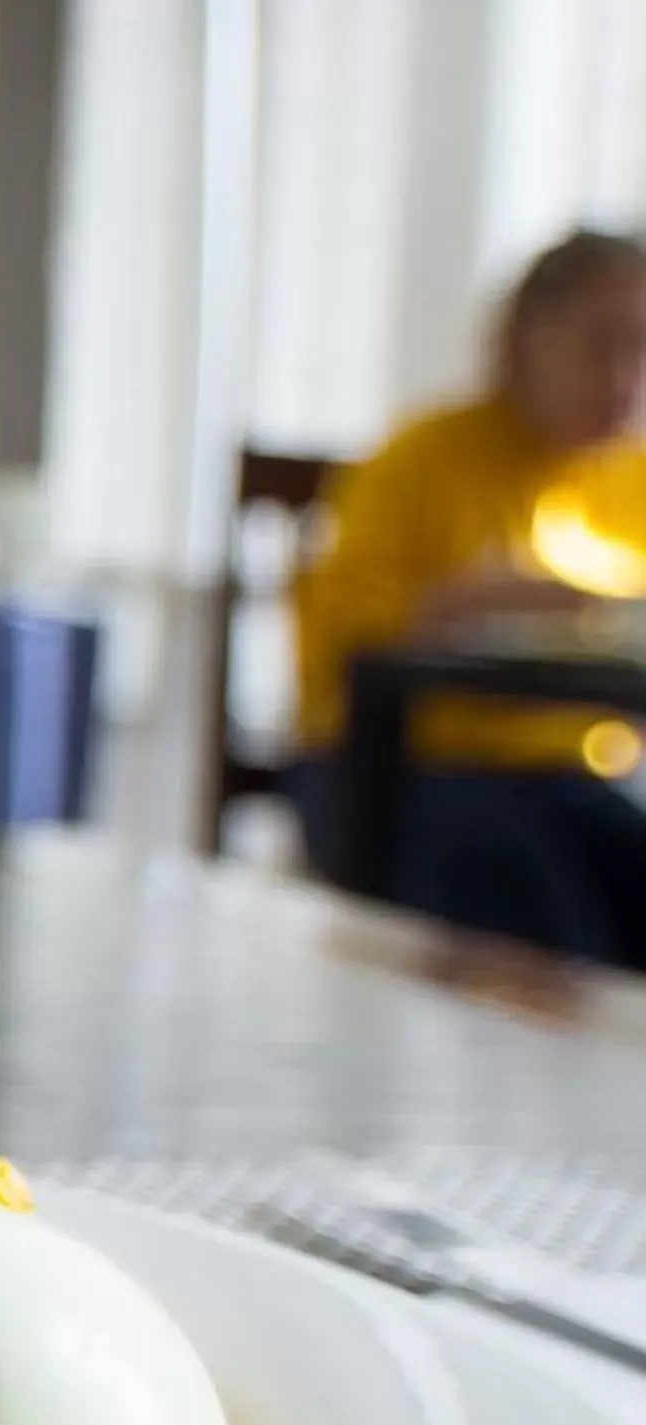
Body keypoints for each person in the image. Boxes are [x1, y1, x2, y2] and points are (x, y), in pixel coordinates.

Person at [291, 228, 646, 970]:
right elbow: (335, 640)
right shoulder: (422, 455)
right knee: (553, 933)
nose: (623, 377)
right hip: (405, 769)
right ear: (523, 338)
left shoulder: (630, 484)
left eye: (641, 349)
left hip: (573, 781)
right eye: (600, 345)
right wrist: (449, 606)